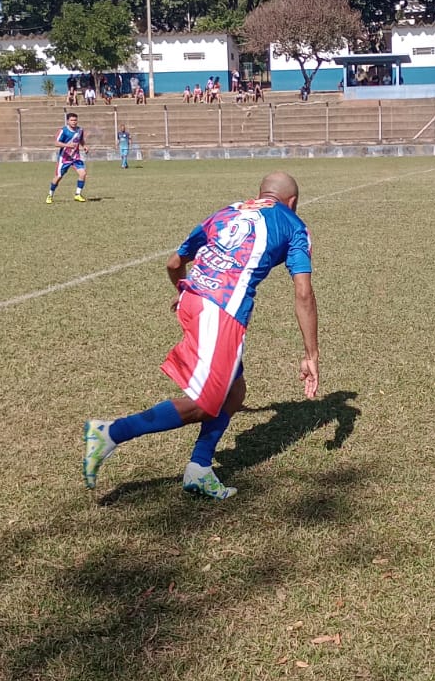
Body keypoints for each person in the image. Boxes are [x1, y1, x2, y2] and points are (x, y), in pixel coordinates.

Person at [81, 172, 319, 500]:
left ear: (260, 193)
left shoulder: (227, 212)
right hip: (219, 311)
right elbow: (303, 292)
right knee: (205, 404)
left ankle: (199, 469)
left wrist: (184, 289)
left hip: (193, 297)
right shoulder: (293, 224)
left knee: (234, 393)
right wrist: (311, 353)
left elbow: (174, 262)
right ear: (292, 202)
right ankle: (110, 432)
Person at [46, 112, 88, 203]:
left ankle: (78, 194)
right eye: (72, 120)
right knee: (58, 177)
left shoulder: (80, 130)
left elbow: (81, 140)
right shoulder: (63, 131)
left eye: (75, 120)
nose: (74, 122)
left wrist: (84, 146)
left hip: (75, 157)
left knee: (83, 174)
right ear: (68, 121)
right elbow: (56, 143)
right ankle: (50, 195)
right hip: (64, 158)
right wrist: (67, 145)